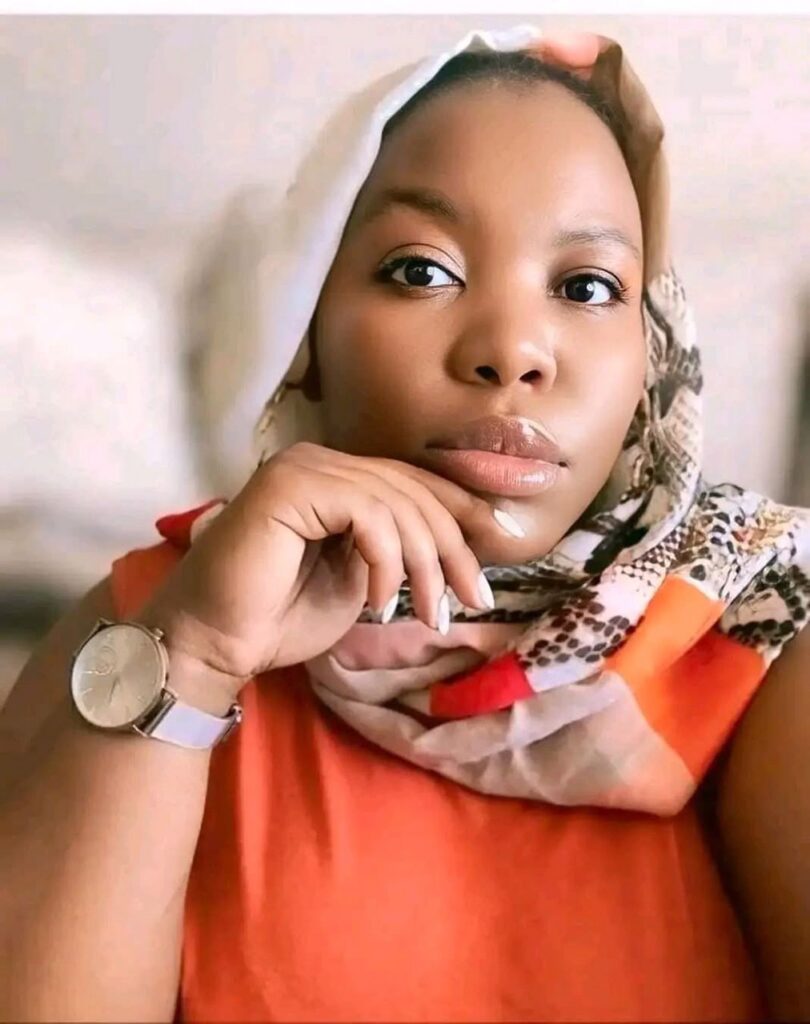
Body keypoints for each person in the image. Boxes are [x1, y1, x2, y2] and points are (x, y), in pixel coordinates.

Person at [1, 23, 809, 1024]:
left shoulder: (756, 636)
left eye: (587, 287)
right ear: (305, 335)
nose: (513, 349)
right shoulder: (143, 622)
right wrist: (197, 658)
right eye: (422, 271)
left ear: (649, 355)